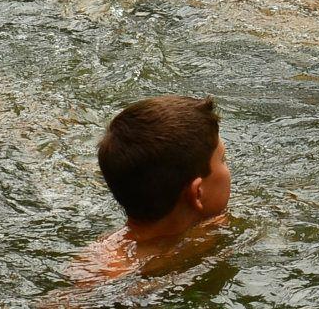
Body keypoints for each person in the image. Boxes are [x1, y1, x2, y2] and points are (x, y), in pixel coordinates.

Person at [76, 95, 231, 281]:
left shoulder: (213, 226)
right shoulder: (106, 269)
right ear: (198, 193)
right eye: (223, 159)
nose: (228, 166)